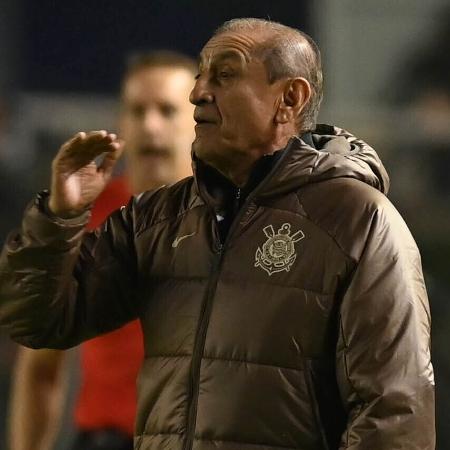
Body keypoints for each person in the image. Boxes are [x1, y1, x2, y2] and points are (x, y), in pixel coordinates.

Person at [0, 17, 435, 450]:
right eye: (200, 75)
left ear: (289, 98)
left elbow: (395, 416)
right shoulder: (158, 219)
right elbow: (36, 322)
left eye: (224, 74)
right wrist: (59, 217)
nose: (197, 93)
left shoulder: (358, 220)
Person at [7, 51, 196, 450]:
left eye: (167, 109)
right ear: (121, 121)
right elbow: (40, 363)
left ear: (199, 121)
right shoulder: (84, 216)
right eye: (137, 110)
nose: (150, 125)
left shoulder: (232, 218)